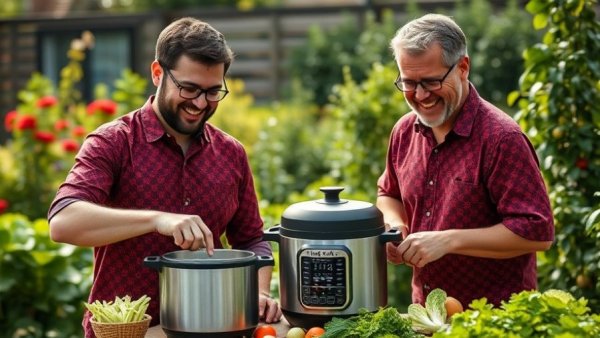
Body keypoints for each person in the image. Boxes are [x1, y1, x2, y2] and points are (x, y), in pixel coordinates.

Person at [48, 17, 281, 336]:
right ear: (158, 73)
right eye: (189, 88)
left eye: (213, 92)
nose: (200, 104)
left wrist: (261, 292)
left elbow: (252, 239)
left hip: (213, 327)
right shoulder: (113, 142)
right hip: (126, 331)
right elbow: (63, 222)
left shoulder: (231, 153)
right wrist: (157, 220)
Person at [377, 13, 555, 308]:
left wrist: (448, 240)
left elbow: (537, 232)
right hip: (428, 316)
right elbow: (388, 194)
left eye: (431, 82)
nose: (420, 95)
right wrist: (394, 227)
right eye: (409, 82)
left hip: (495, 320)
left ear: (462, 67)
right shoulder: (404, 131)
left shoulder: (501, 138)